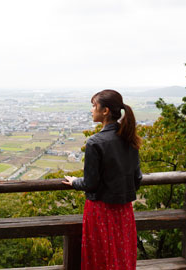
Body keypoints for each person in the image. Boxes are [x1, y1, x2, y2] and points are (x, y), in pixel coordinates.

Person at [62, 89, 142, 270]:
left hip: (100, 210)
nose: (91, 110)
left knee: (100, 258)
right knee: (122, 256)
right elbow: (137, 178)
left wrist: (75, 182)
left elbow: (91, 183)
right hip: (124, 210)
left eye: (94, 106)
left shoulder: (95, 142)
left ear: (105, 111)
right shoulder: (130, 138)